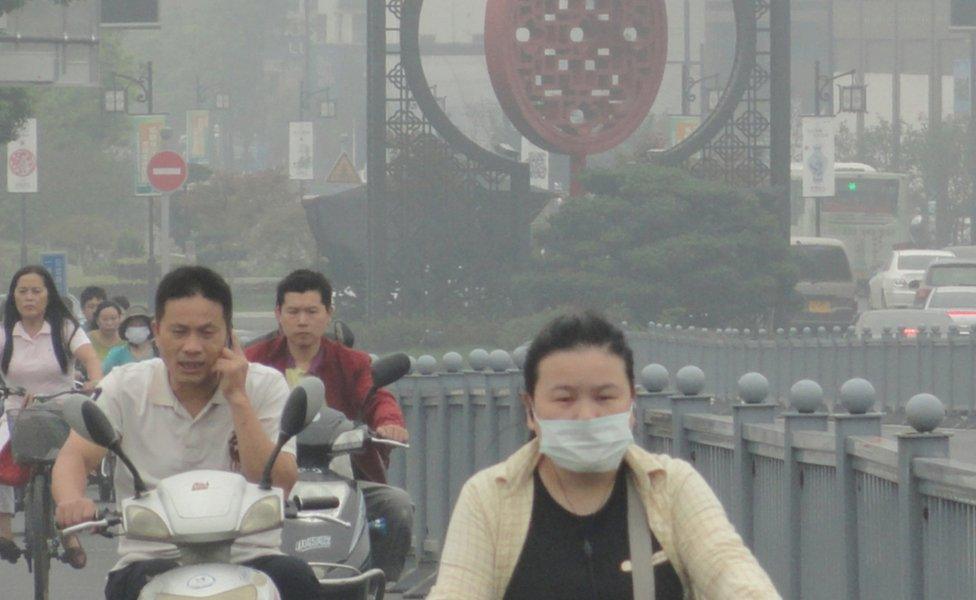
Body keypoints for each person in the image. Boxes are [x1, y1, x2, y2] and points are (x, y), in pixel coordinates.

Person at [428, 312, 780, 600]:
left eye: (605, 397)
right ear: (530, 409)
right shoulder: (489, 497)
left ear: (631, 404)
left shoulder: (672, 486)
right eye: (564, 399)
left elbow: (728, 569)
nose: (586, 416)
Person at [53, 266, 325, 600]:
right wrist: (71, 501)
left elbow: (281, 481)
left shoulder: (264, 385)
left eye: (207, 332)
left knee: (298, 579)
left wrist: (238, 399)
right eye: (179, 332)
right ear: (157, 331)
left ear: (228, 333)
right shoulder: (125, 386)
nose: (192, 346)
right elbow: (76, 455)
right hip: (152, 557)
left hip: (250, 556)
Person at [245, 269, 414, 581]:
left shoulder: (352, 362)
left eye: (312, 311)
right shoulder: (253, 361)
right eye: (293, 312)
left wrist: (389, 423)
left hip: (340, 472)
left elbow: (376, 396)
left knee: (396, 506)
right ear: (278, 314)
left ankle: (385, 585)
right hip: (269, 475)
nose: (302, 321)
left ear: (328, 314)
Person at [0, 266, 103, 565]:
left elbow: (90, 359)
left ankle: (69, 534)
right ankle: (5, 530)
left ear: (49, 295)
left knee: (68, 466)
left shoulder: (66, 328)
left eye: (36, 291)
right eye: (23, 291)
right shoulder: (6, 332)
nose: (29, 297)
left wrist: (95, 379)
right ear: (14, 297)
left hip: (60, 410)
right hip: (16, 413)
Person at [102, 304, 157, 375]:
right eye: (133, 325)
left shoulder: (160, 352)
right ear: (125, 329)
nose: (137, 328)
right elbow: (103, 378)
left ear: (149, 328)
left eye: (141, 324)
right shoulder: (116, 354)